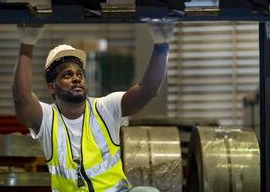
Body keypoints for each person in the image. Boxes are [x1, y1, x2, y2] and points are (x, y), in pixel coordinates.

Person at [12, 23, 173, 192]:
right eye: (67, 75)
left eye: (79, 74)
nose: (76, 78)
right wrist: (27, 44)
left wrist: (162, 45)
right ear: (52, 87)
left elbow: (146, 91)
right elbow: (22, 99)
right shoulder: (47, 119)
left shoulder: (105, 109)